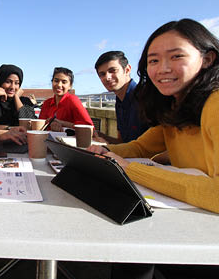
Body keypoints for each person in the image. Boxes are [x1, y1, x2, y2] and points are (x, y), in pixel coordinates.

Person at [89, 19, 219, 279]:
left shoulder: (215, 104)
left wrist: (130, 169)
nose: (163, 68)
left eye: (176, 56)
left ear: (207, 59)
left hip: (209, 242)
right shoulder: (176, 109)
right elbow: (140, 146)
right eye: (154, 60)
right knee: (127, 252)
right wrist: (100, 153)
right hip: (195, 221)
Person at [94, 50, 148, 143]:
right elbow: (123, 142)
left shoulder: (145, 97)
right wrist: (99, 135)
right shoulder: (119, 101)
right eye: (102, 74)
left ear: (127, 70)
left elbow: (158, 147)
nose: (107, 77)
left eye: (112, 71)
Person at [39, 67, 93, 131]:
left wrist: (62, 123)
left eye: (64, 82)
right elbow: (40, 126)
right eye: (56, 81)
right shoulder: (47, 103)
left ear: (70, 86)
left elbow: (89, 127)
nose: (59, 85)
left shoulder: (72, 100)